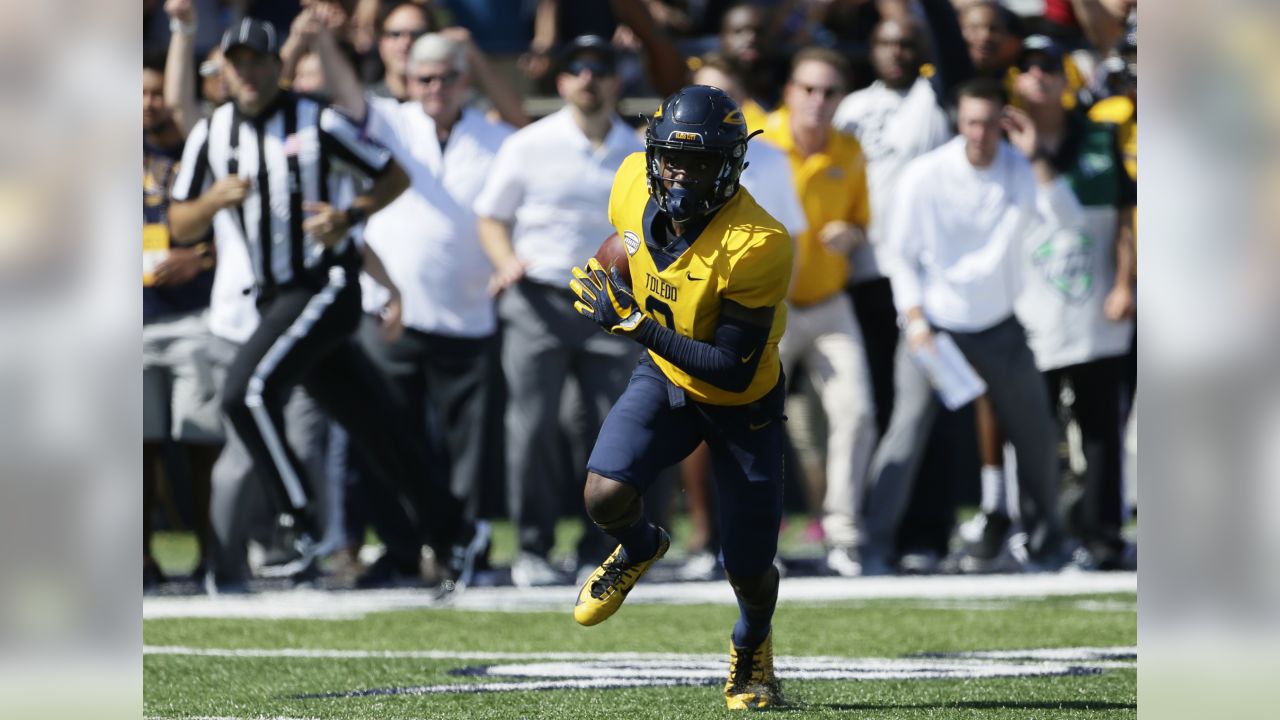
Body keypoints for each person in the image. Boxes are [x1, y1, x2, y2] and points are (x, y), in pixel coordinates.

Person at [168, 18, 489, 594]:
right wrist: (215, 200)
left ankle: (302, 521)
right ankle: (453, 532)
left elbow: (393, 176)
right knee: (376, 424)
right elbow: (178, 219)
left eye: (254, 61)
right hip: (275, 297)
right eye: (233, 63)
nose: (244, 72)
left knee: (248, 391)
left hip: (324, 285)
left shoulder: (317, 122)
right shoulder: (213, 132)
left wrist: (349, 216)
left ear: (274, 65)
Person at [568, 85, 793, 710]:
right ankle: (641, 545)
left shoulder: (758, 242)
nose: (682, 175)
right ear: (653, 156)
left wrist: (635, 325)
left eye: (700, 163)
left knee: (747, 563)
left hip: (741, 401)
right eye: (673, 159)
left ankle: (753, 651)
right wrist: (599, 276)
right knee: (603, 494)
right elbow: (624, 247)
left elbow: (726, 366)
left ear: (731, 166)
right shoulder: (632, 186)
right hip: (666, 374)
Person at [859, 77, 1078, 575]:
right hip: (932, 326)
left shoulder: (1022, 168)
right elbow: (900, 254)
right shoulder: (925, 175)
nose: (979, 134)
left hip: (1000, 325)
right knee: (906, 431)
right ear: (959, 122)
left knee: (1037, 434)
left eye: (988, 123)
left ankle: (1050, 546)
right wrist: (914, 318)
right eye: (971, 122)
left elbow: (1064, 218)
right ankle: (873, 547)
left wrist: (1036, 154)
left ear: (1004, 121)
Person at [320, 31, 517, 585]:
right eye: (424, 78)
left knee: (466, 451)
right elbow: (344, 93)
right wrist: (320, 40)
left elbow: (524, 125)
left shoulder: (492, 135)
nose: (435, 87)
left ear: (465, 79)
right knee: (388, 442)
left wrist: (476, 53)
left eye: (448, 76)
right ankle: (405, 549)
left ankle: (463, 545)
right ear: (408, 80)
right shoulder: (388, 119)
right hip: (392, 313)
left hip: (469, 313)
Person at [474, 35, 643, 587]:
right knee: (532, 426)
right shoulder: (529, 143)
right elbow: (492, 217)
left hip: (610, 302)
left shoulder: (638, 151)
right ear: (561, 80)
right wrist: (505, 261)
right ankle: (532, 546)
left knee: (610, 429)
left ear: (617, 79)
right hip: (539, 296)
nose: (587, 77)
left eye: (599, 67)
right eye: (576, 68)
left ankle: (605, 543)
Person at [1003, 35, 1134, 570]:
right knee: (1035, 428)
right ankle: (1038, 534)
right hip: (1028, 306)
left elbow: (1127, 215)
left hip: (1095, 302)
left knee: (1100, 424)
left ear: (1065, 77)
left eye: (1049, 66)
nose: (1039, 75)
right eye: (1027, 67)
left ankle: (1103, 536)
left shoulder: (1100, 136)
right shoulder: (1001, 143)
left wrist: (1127, 281)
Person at [761, 47, 878, 577]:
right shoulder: (759, 142)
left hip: (829, 302)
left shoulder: (849, 151)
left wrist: (851, 235)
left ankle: (843, 533)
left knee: (855, 409)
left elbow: (861, 221)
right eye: (809, 89)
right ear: (789, 92)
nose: (819, 101)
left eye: (830, 92)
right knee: (751, 417)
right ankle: (758, 535)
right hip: (767, 305)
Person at [143, 48, 222, 589]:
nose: (150, 105)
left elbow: (244, 234)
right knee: (135, 450)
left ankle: (214, 555)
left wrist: (199, 257)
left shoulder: (207, 148)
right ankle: (139, 561)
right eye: (139, 95)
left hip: (196, 314)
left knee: (200, 444)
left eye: (157, 93)